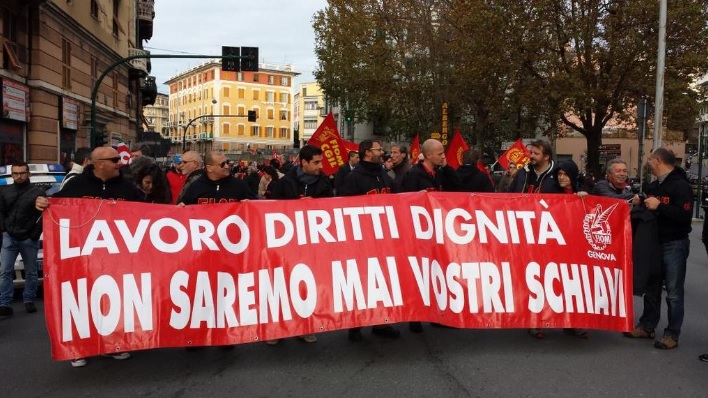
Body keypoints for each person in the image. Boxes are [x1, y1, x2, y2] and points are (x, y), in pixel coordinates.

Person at [36, 146, 143, 367]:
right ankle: (78, 348)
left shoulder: (127, 187)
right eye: (114, 159)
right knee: (81, 300)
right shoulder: (76, 185)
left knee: (113, 301)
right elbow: (55, 204)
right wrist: (40, 203)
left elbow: (147, 212)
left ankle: (110, 346)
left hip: (116, 258)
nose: (119, 163)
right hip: (82, 258)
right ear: (98, 163)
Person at [624, 148, 693, 350]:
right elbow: (651, 207)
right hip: (655, 243)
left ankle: (672, 333)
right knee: (652, 287)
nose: (648, 163)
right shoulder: (655, 185)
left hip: (675, 244)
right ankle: (647, 326)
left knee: (673, 292)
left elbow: (684, 216)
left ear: (658, 160)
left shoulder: (680, 186)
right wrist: (642, 201)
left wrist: (659, 206)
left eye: (650, 159)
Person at [266, 145, 333, 345]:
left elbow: (331, 208)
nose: (320, 166)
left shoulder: (324, 183)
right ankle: (277, 329)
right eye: (316, 162)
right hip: (286, 243)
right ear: (303, 162)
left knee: (307, 286)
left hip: (312, 244)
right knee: (282, 284)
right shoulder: (285, 182)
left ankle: (305, 326)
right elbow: (272, 209)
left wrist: (316, 206)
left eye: (321, 162)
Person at [338, 139, 400, 341]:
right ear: (366, 153)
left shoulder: (382, 174)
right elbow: (344, 209)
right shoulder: (353, 178)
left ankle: (380, 321)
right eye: (378, 149)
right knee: (360, 281)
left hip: (383, 239)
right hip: (361, 240)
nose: (382, 152)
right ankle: (355, 324)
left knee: (382, 281)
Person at [400, 139, 461, 332]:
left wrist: (446, 167)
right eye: (440, 153)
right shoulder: (414, 175)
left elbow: (458, 186)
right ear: (427, 155)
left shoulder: (439, 173)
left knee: (437, 274)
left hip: (437, 232)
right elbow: (404, 201)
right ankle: (416, 317)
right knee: (420, 274)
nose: (443, 155)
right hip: (419, 235)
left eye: (443, 152)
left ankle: (437, 314)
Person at [0, 161, 45, 319]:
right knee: (5, 271)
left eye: (22, 173)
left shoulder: (38, 193)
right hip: (9, 238)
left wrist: (33, 235)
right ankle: (5, 304)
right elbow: (1, 212)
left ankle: (29, 300)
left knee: (31, 272)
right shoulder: (5, 191)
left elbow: (43, 217)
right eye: (15, 173)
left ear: (28, 174)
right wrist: (4, 231)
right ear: (12, 175)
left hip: (28, 239)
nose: (19, 176)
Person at [178, 151, 256, 205]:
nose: (226, 166)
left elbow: (257, 206)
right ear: (209, 168)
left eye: (227, 162)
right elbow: (183, 208)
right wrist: (181, 207)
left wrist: (250, 203)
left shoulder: (240, 186)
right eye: (222, 164)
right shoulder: (195, 187)